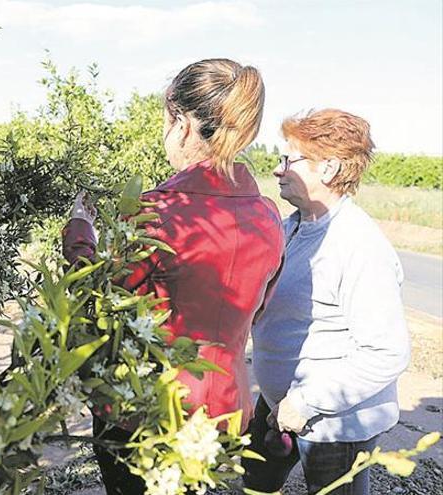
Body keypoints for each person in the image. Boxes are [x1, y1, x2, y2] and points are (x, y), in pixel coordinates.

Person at [62, 58, 285, 494]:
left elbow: (94, 296)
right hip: (225, 410)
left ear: (180, 122)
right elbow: (258, 309)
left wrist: (79, 233)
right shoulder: (268, 216)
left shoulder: (156, 211)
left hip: (147, 408)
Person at [243, 109, 411, 495]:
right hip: (279, 405)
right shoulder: (292, 226)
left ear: (329, 168)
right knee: (255, 483)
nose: (278, 170)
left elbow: (386, 352)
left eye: (289, 160)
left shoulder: (358, 246)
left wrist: (306, 401)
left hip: (334, 423)